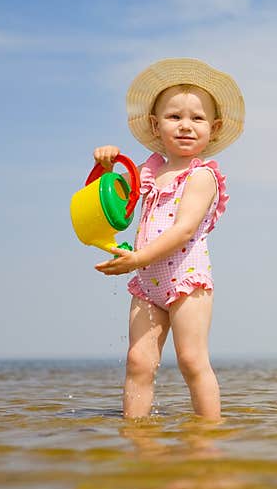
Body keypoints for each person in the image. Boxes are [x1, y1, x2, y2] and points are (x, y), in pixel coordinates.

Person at [91, 58, 245, 421]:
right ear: (155, 125)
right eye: (175, 117)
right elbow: (114, 202)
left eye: (197, 118)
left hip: (186, 279)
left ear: (214, 127)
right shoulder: (149, 170)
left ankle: (208, 433)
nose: (186, 126)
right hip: (148, 282)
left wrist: (138, 259)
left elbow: (184, 230)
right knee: (137, 361)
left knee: (192, 359)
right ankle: (136, 433)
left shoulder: (202, 175)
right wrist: (106, 165)